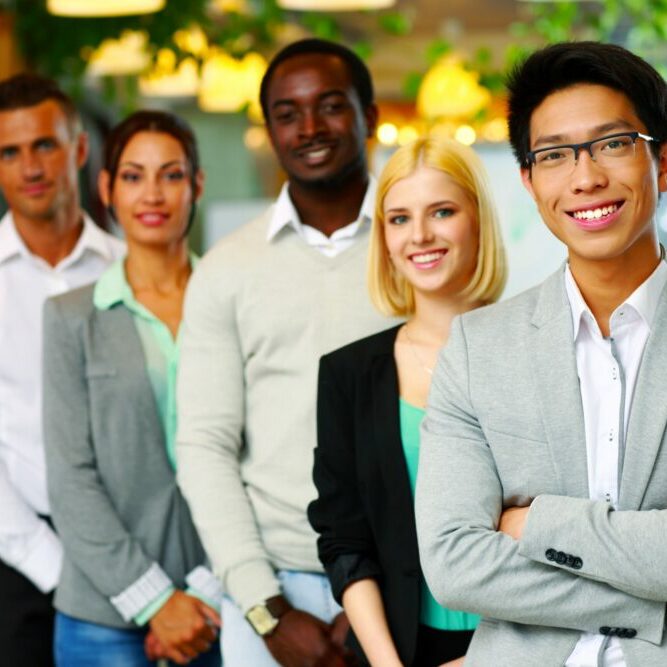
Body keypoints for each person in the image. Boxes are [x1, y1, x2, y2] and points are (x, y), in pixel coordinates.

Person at [416, 41, 667, 667]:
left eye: (612, 143)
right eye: (555, 155)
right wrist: (649, 605)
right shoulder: (479, 348)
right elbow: (454, 564)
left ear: (663, 159)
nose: (586, 178)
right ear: (528, 180)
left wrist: (538, 525)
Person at [176, 38, 392, 667]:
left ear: (369, 117)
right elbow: (205, 444)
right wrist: (265, 608)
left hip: (403, 579)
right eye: (287, 113)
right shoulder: (226, 270)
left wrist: (384, 604)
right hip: (271, 584)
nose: (310, 128)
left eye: (330, 106)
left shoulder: (422, 251)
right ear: (268, 129)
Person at [308, 136, 507, 667]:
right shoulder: (347, 374)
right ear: (385, 239)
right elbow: (345, 540)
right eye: (398, 219)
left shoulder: (538, 351)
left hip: (525, 644)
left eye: (442, 212)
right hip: (397, 648)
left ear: (478, 220)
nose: (420, 235)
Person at [42, 110, 222, 667]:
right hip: (103, 617)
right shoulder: (71, 317)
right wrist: (156, 602)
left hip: (220, 602)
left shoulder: (231, 305)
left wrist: (205, 592)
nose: (152, 194)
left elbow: (259, 458)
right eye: (133, 175)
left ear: (196, 184)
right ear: (106, 188)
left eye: (170, 175)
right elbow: (71, 480)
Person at [0, 73, 125, 666]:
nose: (30, 166)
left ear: (78, 150)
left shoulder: (131, 270)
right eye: (10, 151)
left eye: (44, 145)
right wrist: (54, 566)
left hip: (136, 542)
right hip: (17, 561)